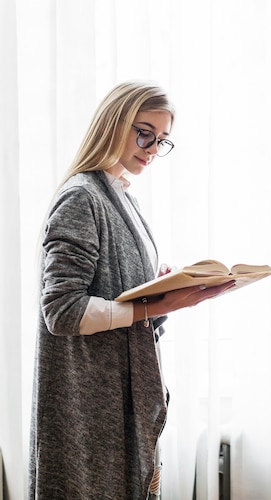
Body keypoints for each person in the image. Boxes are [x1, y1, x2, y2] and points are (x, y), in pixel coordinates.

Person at [29, 80, 234, 499]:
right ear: (113, 122)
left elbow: (122, 301)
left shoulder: (122, 197)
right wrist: (167, 301)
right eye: (144, 133)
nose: (151, 148)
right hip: (89, 403)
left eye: (161, 140)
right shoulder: (82, 198)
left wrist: (162, 292)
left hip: (116, 399)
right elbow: (63, 311)